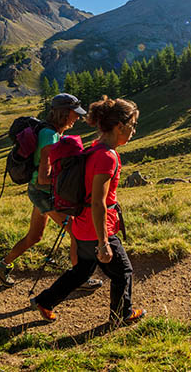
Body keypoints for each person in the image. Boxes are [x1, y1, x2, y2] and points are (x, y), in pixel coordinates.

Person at [30, 96, 145, 326]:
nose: (134, 130)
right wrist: (104, 242)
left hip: (82, 225)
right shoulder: (106, 157)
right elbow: (98, 202)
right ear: (119, 126)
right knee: (123, 272)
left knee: (82, 271)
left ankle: (45, 301)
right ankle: (121, 314)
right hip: (97, 227)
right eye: (132, 125)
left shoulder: (95, 148)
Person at [0, 93, 103, 291]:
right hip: (44, 193)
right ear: (64, 113)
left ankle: (2, 266)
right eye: (74, 114)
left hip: (38, 192)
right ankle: (80, 278)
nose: (77, 118)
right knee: (76, 232)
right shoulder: (50, 136)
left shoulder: (51, 132)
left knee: (34, 237)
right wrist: (71, 182)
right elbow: (44, 177)